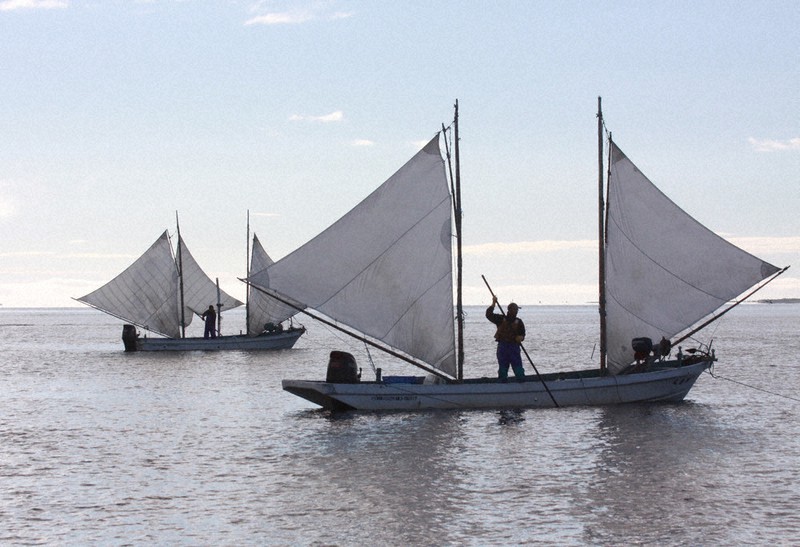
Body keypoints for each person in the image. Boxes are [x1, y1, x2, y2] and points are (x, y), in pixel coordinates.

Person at [486, 296, 526, 382]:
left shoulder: (519, 322)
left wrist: (521, 337)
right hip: (503, 347)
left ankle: (522, 383)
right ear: (510, 310)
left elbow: (522, 334)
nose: (516, 311)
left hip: (514, 347)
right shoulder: (500, 319)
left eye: (517, 310)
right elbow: (488, 315)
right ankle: (502, 384)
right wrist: (493, 303)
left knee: (518, 368)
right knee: (503, 368)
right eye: (515, 309)